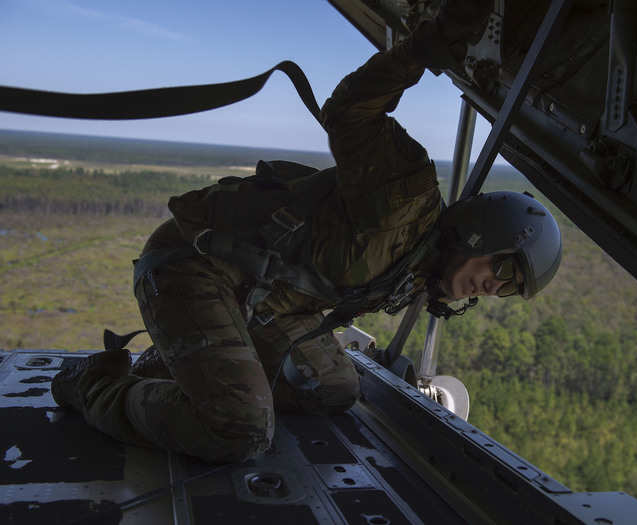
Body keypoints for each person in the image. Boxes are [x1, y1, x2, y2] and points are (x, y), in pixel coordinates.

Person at [51, 3, 561, 463]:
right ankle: (97, 384)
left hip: (264, 304)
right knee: (241, 429)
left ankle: (177, 366)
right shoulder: (406, 195)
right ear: (482, 234)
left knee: (335, 390)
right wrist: (432, 45)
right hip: (194, 265)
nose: (496, 288)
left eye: (511, 289)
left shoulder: (419, 273)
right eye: (504, 269)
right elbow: (351, 110)